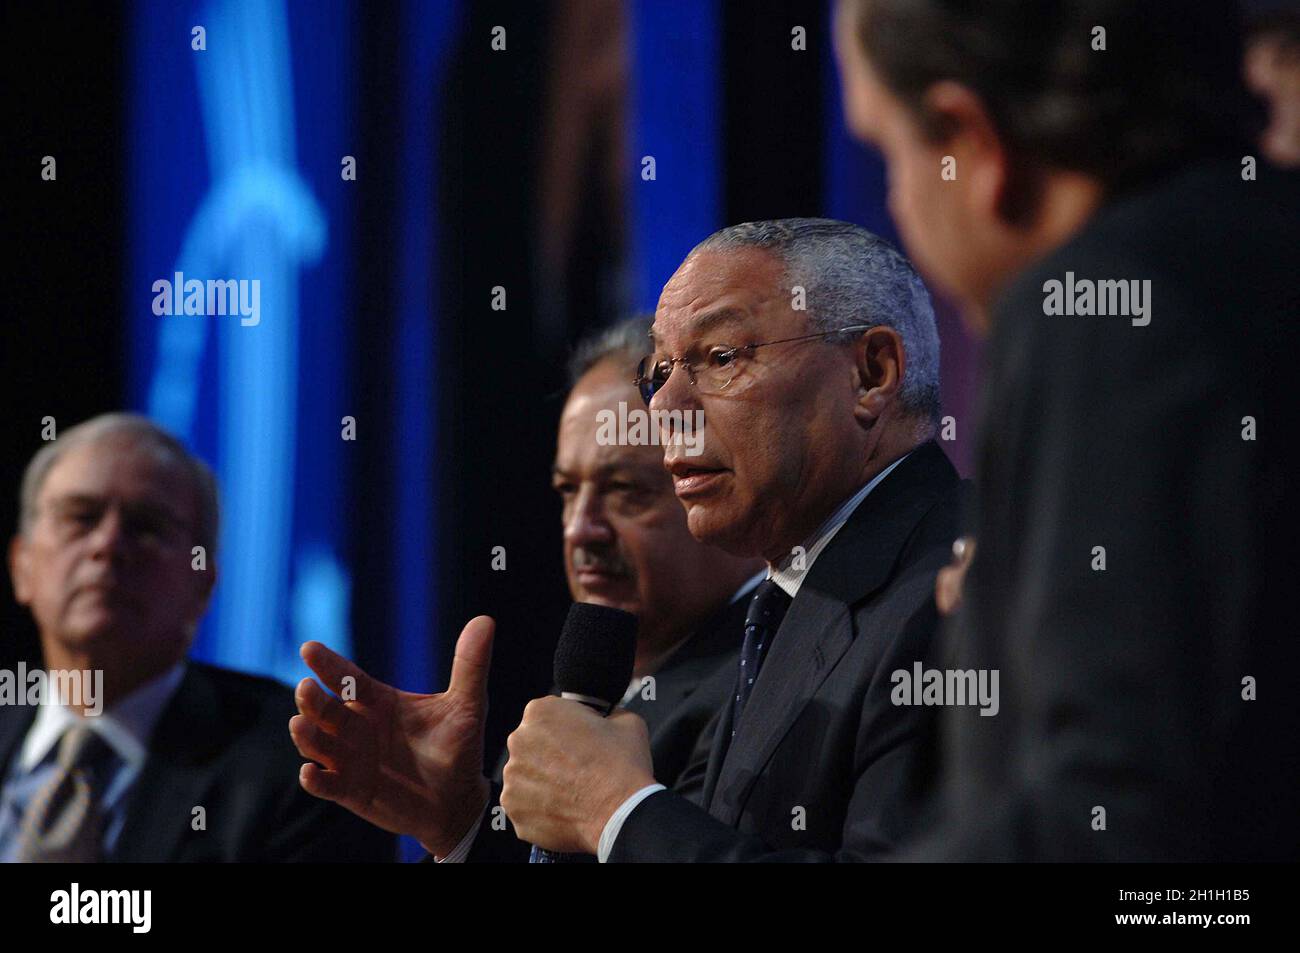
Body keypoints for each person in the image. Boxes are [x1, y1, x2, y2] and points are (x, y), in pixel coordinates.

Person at [834, 0, 1299, 860]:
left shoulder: (1102, 311)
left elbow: (1117, 818)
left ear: (971, 144)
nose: (896, 200)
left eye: (887, 151)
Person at [498, 218, 965, 861]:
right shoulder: (794, 601)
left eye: (721, 358)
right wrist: (461, 825)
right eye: (659, 371)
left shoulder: (959, 593)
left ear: (871, 373)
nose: (664, 408)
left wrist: (618, 814)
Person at [289, 319, 763, 861]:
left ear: (705, 484)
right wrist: (461, 826)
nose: (581, 528)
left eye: (626, 490)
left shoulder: (762, 683)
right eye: (567, 491)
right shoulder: (569, 711)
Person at [1, 413, 395, 862]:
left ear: (203, 584)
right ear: (22, 566)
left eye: (147, 526)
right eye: (81, 517)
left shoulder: (305, 760)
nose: (108, 545)